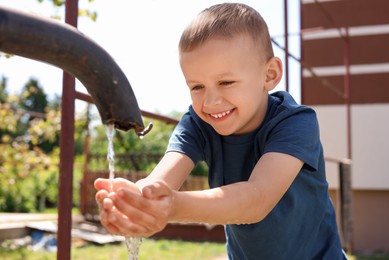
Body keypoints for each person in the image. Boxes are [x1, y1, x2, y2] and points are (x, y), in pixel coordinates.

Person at [95, 3, 347, 259]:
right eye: (197, 87)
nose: (210, 101)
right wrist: (131, 201)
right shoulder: (198, 124)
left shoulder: (295, 122)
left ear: (269, 74)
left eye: (226, 82)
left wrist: (173, 206)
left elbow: (257, 199)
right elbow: (160, 181)